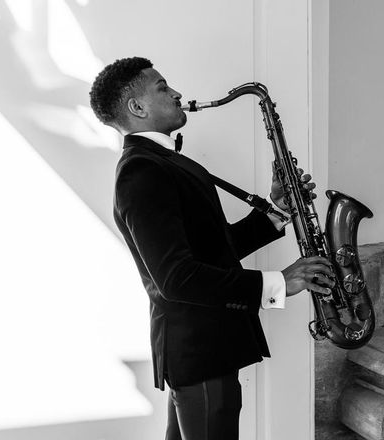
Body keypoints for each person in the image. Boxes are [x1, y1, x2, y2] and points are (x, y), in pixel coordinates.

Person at [89, 57, 334, 440]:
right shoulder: (142, 171)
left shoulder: (159, 162)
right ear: (137, 107)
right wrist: (279, 283)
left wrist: (277, 211)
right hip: (200, 351)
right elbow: (177, 278)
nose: (177, 94)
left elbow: (210, 250)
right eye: (162, 87)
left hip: (205, 350)